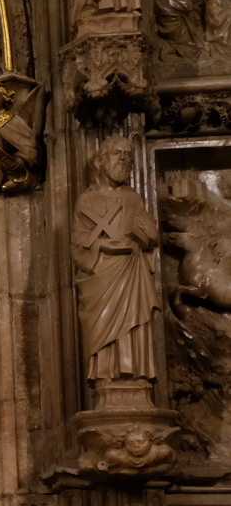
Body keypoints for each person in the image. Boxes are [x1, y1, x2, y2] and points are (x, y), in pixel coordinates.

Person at [73, 136, 160, 382]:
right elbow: (77, 244)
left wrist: (150, 238)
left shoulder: (133, 199)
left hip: (132, 272)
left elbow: (148, 236)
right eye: (116, 153)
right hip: (102, 276)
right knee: (100, 329)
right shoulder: (87, 201)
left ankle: (135, 373)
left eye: (128, 155)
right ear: (101, 161)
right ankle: (105, 377)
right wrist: (102, 244)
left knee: (134, 325)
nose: (123, 159)